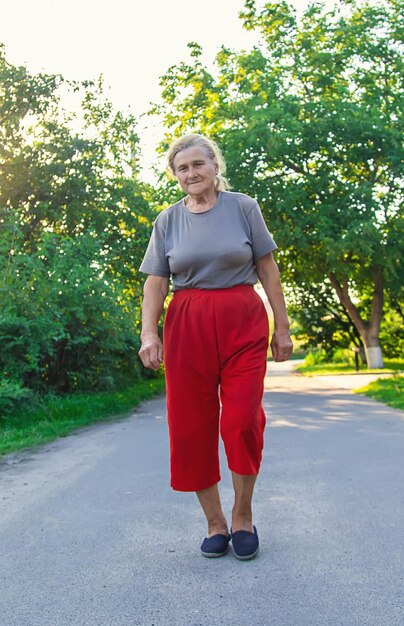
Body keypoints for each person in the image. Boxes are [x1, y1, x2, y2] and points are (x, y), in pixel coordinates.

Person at [138, 133, 293, 560]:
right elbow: (156, 281)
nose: (191, 173)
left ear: (214, 166)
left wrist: (282, 327)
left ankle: (243, 515)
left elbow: (268, 268)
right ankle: (215, 523)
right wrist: (149, 333)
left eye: (197, 164)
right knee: (190, 426)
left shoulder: (243, 207)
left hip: (241, 317)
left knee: (241, 420)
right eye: (182, 168)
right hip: (187, 322)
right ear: (175, 175)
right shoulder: (167, 221)